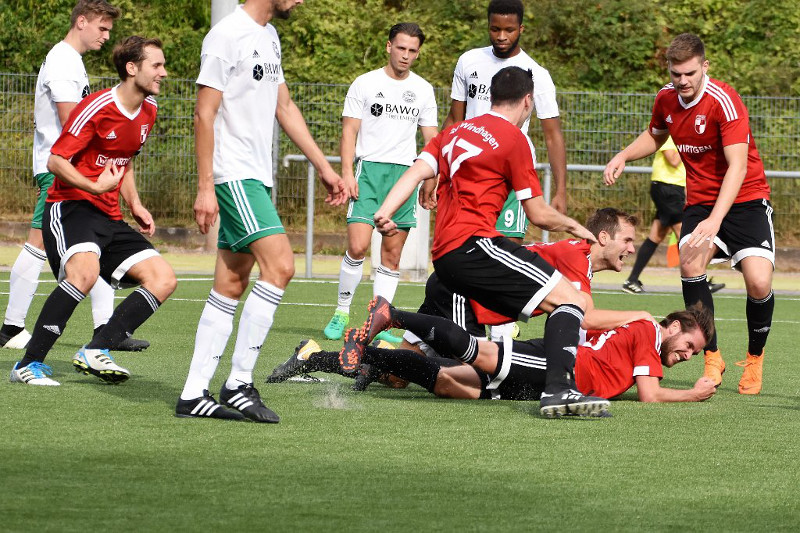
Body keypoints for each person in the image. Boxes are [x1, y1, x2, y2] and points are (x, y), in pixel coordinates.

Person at [370, 66, 607, 418]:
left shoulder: (453, 132)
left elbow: (417, 171)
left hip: (446, 257)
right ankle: (559, 390)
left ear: (491, 97)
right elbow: (539, 214)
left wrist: (385, 211)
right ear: (528, 101)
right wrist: (575, 227)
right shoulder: (514, 140)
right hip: (474, 245)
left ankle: (364, 352)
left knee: (467, 357)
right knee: (571, 301)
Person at [176, 0, 348, 423]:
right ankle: (238, 383)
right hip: (233, 175)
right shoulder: (225, 35)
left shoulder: (269, 37)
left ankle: (193, 393)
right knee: (282, 266)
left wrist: (324, 168)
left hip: (256, 176)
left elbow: (284, 107)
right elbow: (204, 113)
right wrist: (205, 187)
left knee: (231, 284)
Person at [604, 33, 774, 395]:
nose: (682, 80)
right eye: (676, 72)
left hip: (745, 199)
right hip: (700, 202)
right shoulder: (666, 97)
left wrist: (716, 221)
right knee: (690, 264)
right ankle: (713, 355)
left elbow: (738, 167)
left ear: (704, 67)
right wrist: (623, 155)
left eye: (690, 73)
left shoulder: (724, 102)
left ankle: (755, 359)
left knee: (759, 282)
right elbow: (654, 135)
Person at [9, 36, 175, 387]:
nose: (164, 72)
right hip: (69, 207)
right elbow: (56, 160)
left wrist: (136, 204)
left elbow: (123, 162)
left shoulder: (149, 111)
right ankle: (28, 364)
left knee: (163, 279)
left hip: (109, 215)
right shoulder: (97, 107)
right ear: (132, 69)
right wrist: (94, 187)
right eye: (156, 65)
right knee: (83, 274)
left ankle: (96, 349)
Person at [0, 0, 149, 353]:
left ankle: (105, 330)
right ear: (81, 21)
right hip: (64, 171)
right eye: (102, 27)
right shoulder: (64, 61)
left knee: (86, 245)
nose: (106, 35)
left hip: (74, 169)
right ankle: (12, 327)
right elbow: (73, 123)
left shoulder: (71, 61)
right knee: (48, 243)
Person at [267, 305, 717, 405]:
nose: (685, 355)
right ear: (673, 327)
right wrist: (694, 395)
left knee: (441, 381)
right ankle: (393, 314)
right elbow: (650, 395)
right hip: (547, 367)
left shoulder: (637, 326)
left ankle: (317, 357)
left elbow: (588, 318)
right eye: (688, 346)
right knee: (468, 350)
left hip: (545, 378)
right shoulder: (646, 331)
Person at [437, 0, 569, 341]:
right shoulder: (469, 61)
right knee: (461, 252)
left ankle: (499, 339)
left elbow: (553, 135)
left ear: (521, 28)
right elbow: (454, 119)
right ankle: (465, 333)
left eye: (509, 29)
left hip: (510, 177)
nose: (501, 35)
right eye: (495, 28)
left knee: (506, 250)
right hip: (465, 178)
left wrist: (561, 191)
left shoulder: (536, 74)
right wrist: (436, 169)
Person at [322, 22, 438, 343]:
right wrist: (347, 173)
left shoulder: (424, 90)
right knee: (358, 247)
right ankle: (341, 310)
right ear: (388, 46)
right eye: (400, 48)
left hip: (405, 176)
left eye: (412, 50)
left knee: (390, 257)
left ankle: (378, 323)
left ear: (417, 53)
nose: (405, 55)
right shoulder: (365, 83)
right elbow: (349, 130)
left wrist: (431, 180)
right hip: (368, 172)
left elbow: (432, 141)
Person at [622, 136, 725, 295]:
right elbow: (674, 160)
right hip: (666, 189)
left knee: (656, 235)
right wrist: (688, 141)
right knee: (683, 233)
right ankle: (699, 280)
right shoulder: (671, 135)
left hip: (673, 190)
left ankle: (631, 280)